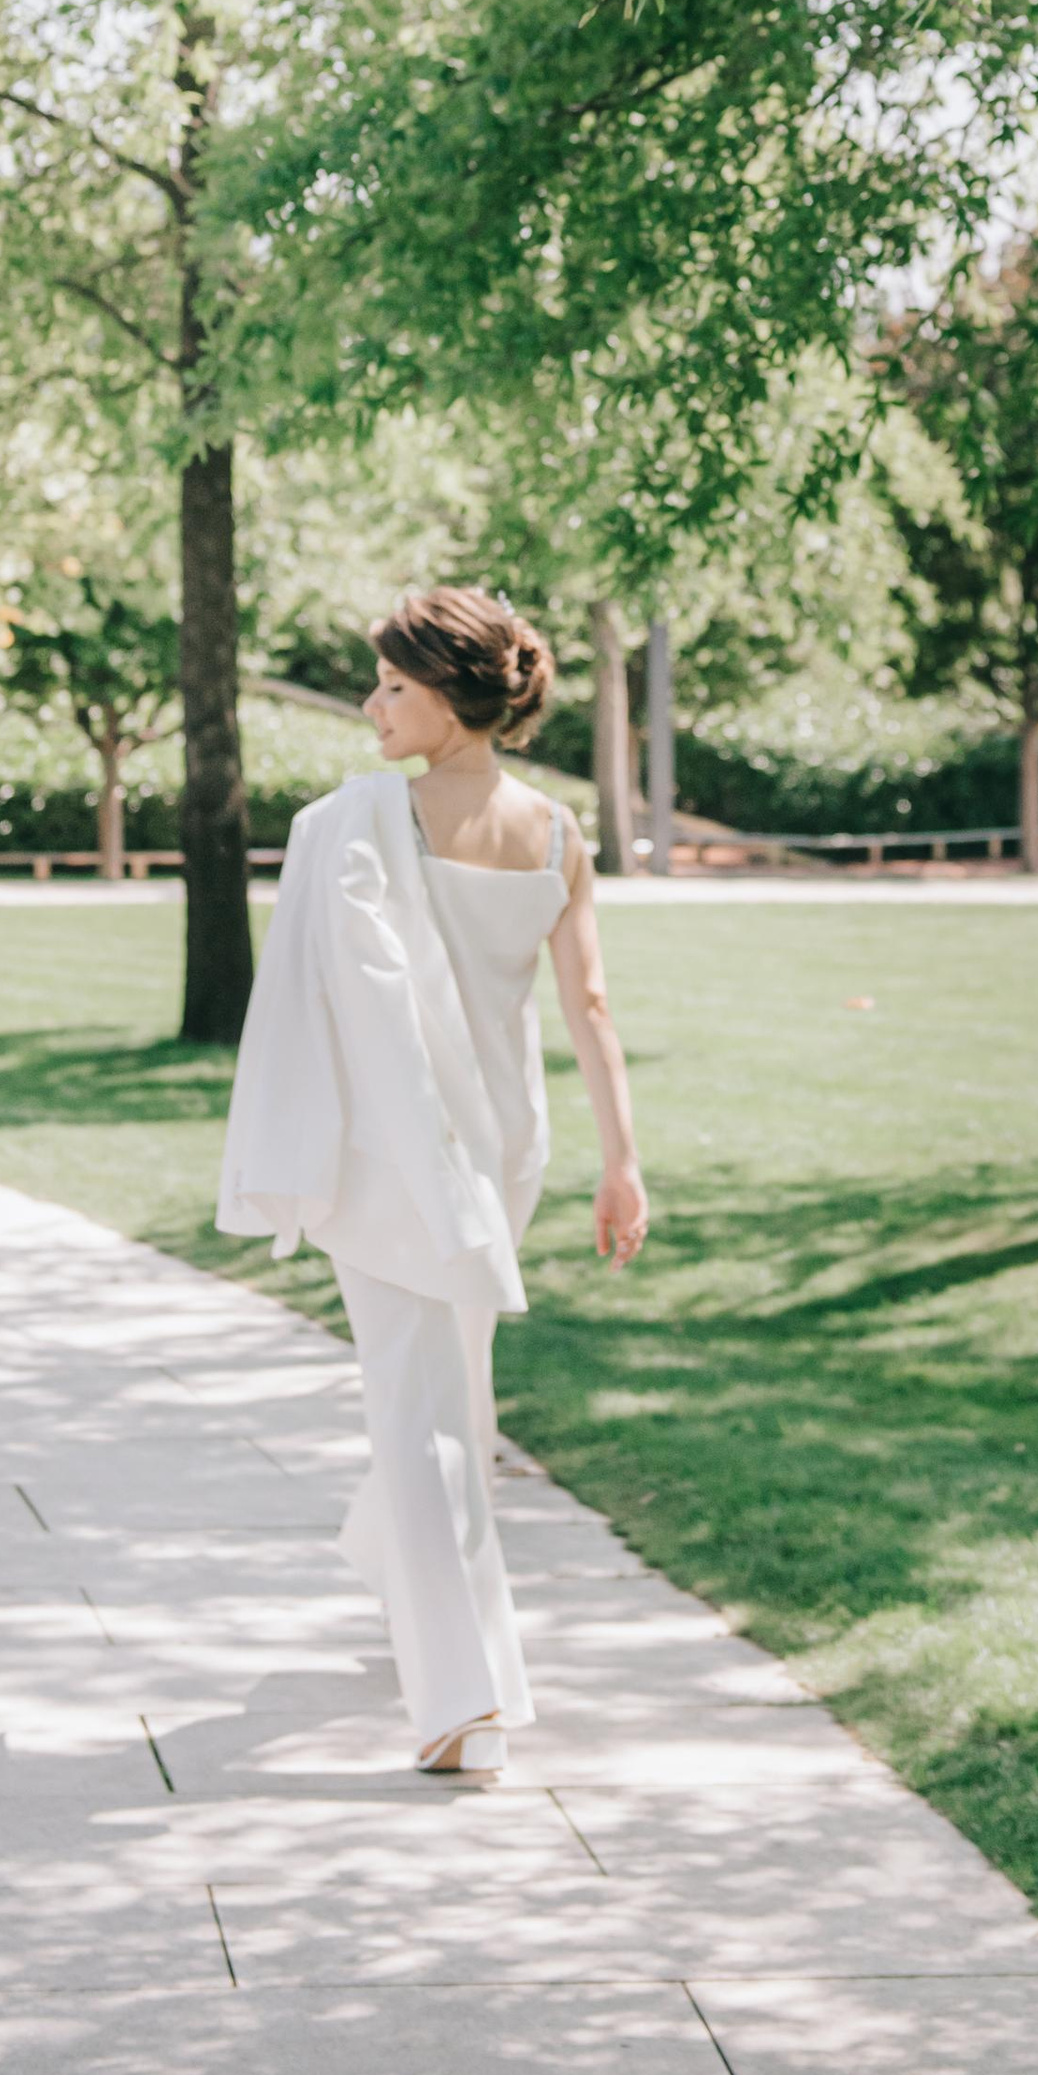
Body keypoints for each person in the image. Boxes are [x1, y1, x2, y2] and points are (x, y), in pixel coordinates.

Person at [217, 586, 649, 1775]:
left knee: (415, 1413)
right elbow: (590, 1004)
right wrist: (622, 1161)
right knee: (445, 1390)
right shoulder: (558, 835)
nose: (371, 707)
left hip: (396, 1148)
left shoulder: (367, 823)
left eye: (393, 687)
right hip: (507, 1145)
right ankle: (398, 1563)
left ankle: (464, 1695)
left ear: (454, 696)